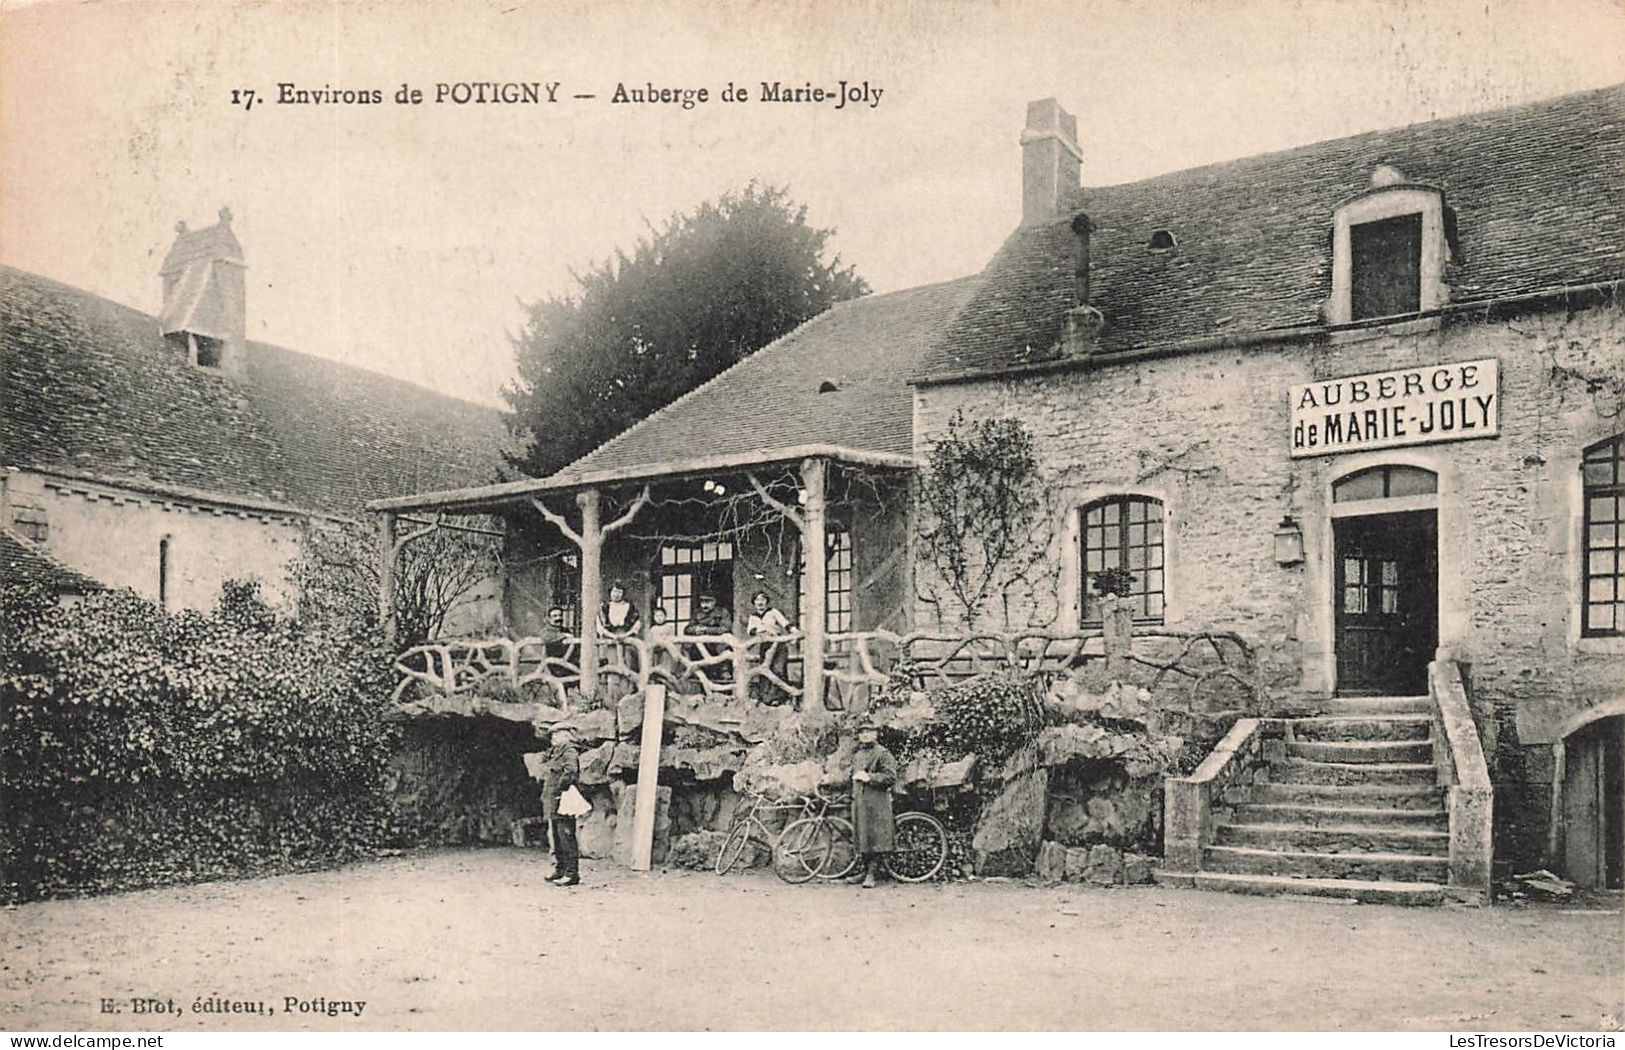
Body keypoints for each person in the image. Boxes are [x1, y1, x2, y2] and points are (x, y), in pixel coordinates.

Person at [850, 719, 898, 889]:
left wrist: (870, 777)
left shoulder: (882, 753)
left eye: (869, 732)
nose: (865, 735)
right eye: (862, 732)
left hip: (876, 802)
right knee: (862, 837)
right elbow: (852, 775)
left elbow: (891, 777)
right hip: (860, 802)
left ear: (876, 734)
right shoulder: (857, 754)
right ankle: (863, 871)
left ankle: (872, 874)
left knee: (875, 838)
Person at [538, 725, 583, 887]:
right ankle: (560, 869)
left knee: (566, 836)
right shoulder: (556, 751)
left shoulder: (569, 750)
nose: (552, 738)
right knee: (556, 837)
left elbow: (571, 771)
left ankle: (572, 874)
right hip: (554, 801)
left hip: (562, 800)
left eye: (556, 735)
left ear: (565, 736)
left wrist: (560, 789)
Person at [745, 590, 792, 704]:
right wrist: (760, 630)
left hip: (778, 645)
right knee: (766, 670)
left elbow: (785, 623)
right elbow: (750, 631)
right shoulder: (753, 617)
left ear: (766, 601)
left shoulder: (773, 612)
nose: (760, 602)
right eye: (757, 600)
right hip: (765, 646)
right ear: (754, 602)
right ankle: (767, 699)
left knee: (778, 669)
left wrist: (795, 632)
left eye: (762, 599)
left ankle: (779, 699)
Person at [687, 592, 733, 685]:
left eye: (708, 602)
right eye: (702, 602)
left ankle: (725, 672)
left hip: (717, 643)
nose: (705, 605)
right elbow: (687, 629)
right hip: (702, 644)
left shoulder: (722, 612)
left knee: (724, 648)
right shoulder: (697, 613)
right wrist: (696, 629)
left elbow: (725, 628)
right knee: (692, 649)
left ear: (714, 602)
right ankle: (696, 672)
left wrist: (707, 630)